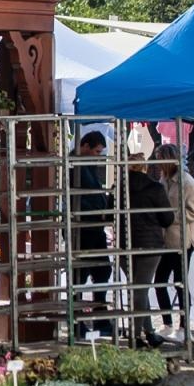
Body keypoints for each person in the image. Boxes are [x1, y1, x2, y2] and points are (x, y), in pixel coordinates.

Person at [152, 142, 194, 334]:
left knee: (181, 283)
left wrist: (170, 218)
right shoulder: (163, 180)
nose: (158, 165)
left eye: (160, 161)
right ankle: (167, 323)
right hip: (166, 241)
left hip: (182, 240)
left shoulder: (187, 183)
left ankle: (184, 326)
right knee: (160, 282)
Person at [123, 157, 174, 348]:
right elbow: (167, 218)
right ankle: (136, 335)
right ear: (144, 167)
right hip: (150, 244)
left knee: (137, 289)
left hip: (125, 244)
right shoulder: (155, 188)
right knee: (141, 289)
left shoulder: (119, 188)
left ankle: (149, 332)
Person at [69, 131, 114, 337]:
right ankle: (78, 320)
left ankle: (99, 317)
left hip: (93, 227)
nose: (98, 156)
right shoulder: (73, 165)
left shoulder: (85, 165)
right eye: (96, 151)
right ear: (85, 145)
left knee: (101, 272)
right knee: (81, 274)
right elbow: (77, 197)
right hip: (83, 228)